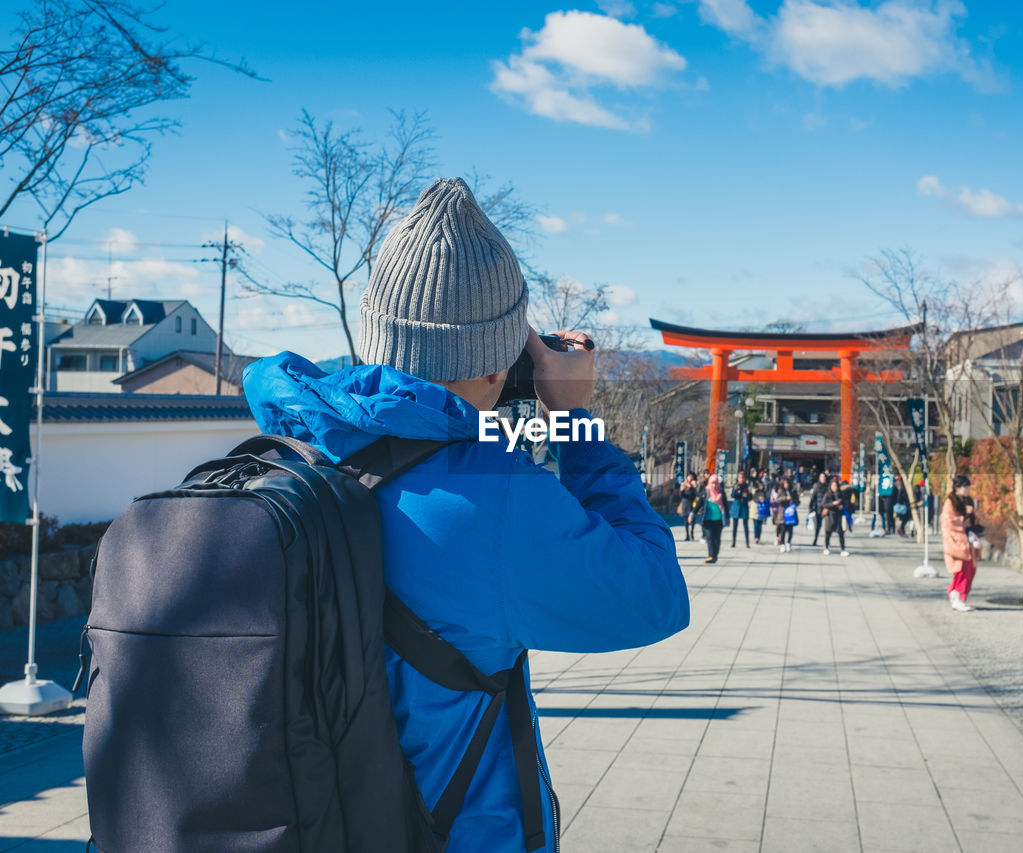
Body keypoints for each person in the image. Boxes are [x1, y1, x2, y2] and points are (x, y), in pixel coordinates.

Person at [242, 178, 689, 853]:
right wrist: (571, 416)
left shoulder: (297, 444)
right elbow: (657, 593)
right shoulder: (495, 497)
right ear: (495, 363)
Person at [941, 475, 979, 611]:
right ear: (957, 488)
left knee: (970, 570)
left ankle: (959, 596)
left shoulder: (968, 500)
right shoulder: (950, 502)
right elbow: (949, 522)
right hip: (956, 541)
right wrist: (964, 517)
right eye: (965, 487)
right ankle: (957, 597)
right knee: (960, 570)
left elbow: (973, 519)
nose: (967, 490)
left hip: (967, 539)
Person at [702, 473, 729, 563]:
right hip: (707, 520)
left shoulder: (721, 493)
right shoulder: (706, 492)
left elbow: (725, 505)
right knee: (709, 538)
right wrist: (692, 514)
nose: (714, 485)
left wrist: (728, 518)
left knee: (717, 538)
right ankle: (711, 555)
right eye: (712, 483)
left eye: (716, 483)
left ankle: (715, 554)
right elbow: (699, 503)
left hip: (718, 520)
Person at [820, 478, 849, 556]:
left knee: (841, 533)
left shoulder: (841, 494)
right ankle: (826, 547)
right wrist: (833, 503)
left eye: (836, 485)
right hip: (829, 516)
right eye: (833, 485)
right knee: (828, 533)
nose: (835, 487)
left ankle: (843, 549)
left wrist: (842, 506)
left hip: (839, 516)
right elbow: (823, 504)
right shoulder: (827, 494)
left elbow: (846, 503)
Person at [771, 475, 798, 552]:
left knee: (790, 530)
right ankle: (782, 543)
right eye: (785, 483)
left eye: (788, 483)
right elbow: (777, 500)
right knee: (782, 529)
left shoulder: (792, 491)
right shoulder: (781, 491)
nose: (787, 485)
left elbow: (798, 501)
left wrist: (793, 501)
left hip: (791, 514)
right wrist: (785, 498)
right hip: (782, 513)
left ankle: (788, 543)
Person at [729, 470, 752, 549]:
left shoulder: (747, 486)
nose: (741, 479)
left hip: (744, 505)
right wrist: (735, 490)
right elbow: (732, 495)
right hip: (736, 505)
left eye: (743, 478)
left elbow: (750, 497)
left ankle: (747, 542)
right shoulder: (735, 485)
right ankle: (733, 541)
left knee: (745, 525)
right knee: (735, 525)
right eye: (740, 478)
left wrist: (746, 495)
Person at [808, 471, 829, 546]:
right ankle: (815, 539)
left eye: (824, 477)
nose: (823, 479)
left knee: (827, 526)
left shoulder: (828, 487)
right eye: (821, 477)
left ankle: (827, 542)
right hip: (819, 509)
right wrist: (810, 508)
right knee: (818, 526)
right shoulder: (816, 487)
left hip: (827, 509)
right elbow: (813, 498)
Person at [678, 474, 699, 541]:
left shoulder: (693, 487)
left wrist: (693, 487)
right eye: (687, 480)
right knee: (686, 521)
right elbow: (681, 496)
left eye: (690, 480)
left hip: (692, 505)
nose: (688, 481)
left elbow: (696, 495)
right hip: (685, 505)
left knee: (693, 520)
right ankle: (687, 535)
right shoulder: (683, 486)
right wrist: (681, 490)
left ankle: (692, 533)